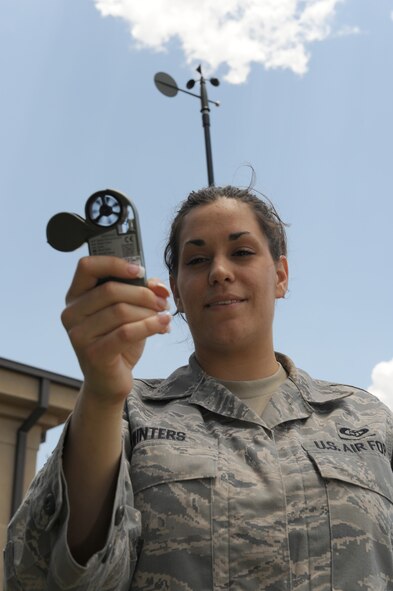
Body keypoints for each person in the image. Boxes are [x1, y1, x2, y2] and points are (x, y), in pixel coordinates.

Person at [4, 185, 393, 591]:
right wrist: (102, 391)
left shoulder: (366, 420)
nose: (220, 271)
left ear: (280, 275)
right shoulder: (128, 413)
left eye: (241, 252)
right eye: (197, 259)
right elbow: (56, 574)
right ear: (175, 291)